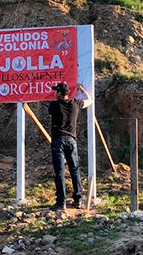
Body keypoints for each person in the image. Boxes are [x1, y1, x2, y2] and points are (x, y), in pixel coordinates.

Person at [48, 82, 93, 210]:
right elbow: (89, 100)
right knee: (75, 170)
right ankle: (78, 200)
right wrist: (82, 90)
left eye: (56, 91)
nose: (55, 93)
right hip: (71, 141)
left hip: (58, 141)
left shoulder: (54, 105)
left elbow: (51, 110)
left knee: (60, 173)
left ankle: (61, 202)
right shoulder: (75, 104)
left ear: (59, 93)